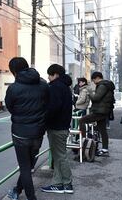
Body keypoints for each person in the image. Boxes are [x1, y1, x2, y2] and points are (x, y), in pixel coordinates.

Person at [5, 57, 49, 200]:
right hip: (38, 133)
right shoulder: (43, 84)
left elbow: (11, 108)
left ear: (14, 71)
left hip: (20, 134)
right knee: (29, 164)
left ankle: (31, 197)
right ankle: (17, 190)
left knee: (25, 168)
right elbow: (47, 104)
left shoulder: (13, 88)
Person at [41, 64, 74, 194]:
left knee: (60, 156)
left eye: (49, 75)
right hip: (63, 126)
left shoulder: (55, 87)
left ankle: (67, 183)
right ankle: (58, 183)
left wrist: (44, 119)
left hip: (56, 127)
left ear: (55, 74)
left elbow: (53, 108)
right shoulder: (66, 87)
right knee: (59, 155)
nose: (48, 77)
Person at [79, 72, 115, 156]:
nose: (94, 82)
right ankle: (105, 149)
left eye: (93, 80)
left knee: (82, 120)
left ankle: (83, 141)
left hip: (100, 111)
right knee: (102, 130)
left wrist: (90, 92)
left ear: (97, 78)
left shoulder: (102, 86)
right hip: (103, 110)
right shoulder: (106, 85)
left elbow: (96, 98)